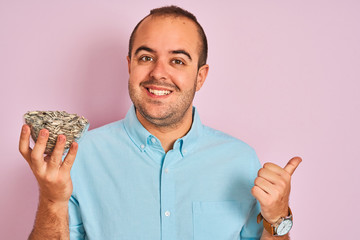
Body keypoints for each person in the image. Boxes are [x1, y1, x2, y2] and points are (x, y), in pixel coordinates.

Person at [19, 5, 301, 240]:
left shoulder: (240, 160)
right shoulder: (79, 158)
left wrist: (278, 218)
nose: (158, 73)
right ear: (130, 66)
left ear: (200, 76)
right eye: (146, 57)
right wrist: (52, 200)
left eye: (177, 61)